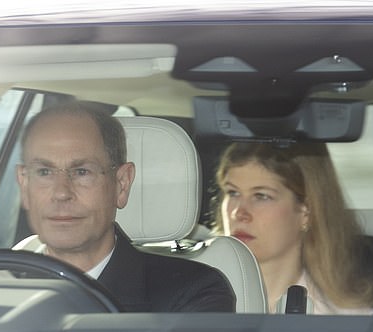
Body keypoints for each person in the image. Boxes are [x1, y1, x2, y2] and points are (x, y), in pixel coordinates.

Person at [16, 102, 235, 312]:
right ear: (24, 185)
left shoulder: (191, 293)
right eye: (44, 172)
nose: (61, 193)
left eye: (82, 172)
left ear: (121, 184)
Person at [212, 141, 373, 314]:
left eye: (261, 196)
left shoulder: (349, 324)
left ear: (306, 211)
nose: (239, 213)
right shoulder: (191, 304)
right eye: (233, 193)